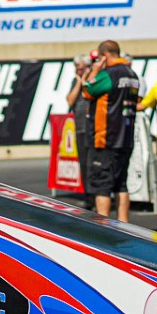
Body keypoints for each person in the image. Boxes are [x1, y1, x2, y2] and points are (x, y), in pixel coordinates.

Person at [80, 40, 141, 222]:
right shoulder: (132, 74)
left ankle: (103, 228)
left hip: (105, 139)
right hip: (126, 138)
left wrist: (95, 71)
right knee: (121, 184)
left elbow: (87, 91)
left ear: (104, 56)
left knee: (102, 186)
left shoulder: (108, 74)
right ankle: (124, 226)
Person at [65, 53, 96, 205]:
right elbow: (70, 101)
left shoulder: (93, 80)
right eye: (76, 69)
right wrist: (78, 81)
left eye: (81, 69)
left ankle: (97, 195)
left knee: (93, 163)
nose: (78, 71)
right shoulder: (75, 82)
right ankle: (88, 197)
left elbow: (90, 94)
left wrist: (85, 80)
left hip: (93, 128)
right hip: (80, 128)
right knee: (83, 164)